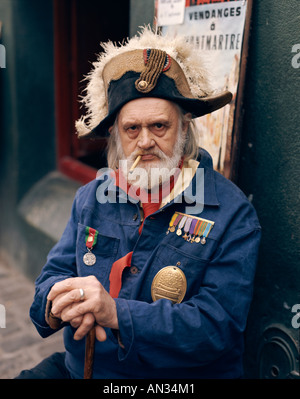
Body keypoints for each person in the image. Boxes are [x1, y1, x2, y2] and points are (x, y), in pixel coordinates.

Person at [16, 27, 261, 379]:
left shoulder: (232, 213)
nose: (145, 141)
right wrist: (60, 304)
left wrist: (114, 313)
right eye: (132, 129)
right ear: (116, 134)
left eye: (159, 125)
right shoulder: (91, 197)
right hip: (81, 370)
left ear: (184, 129)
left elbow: (216, 327)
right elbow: (52, 277)